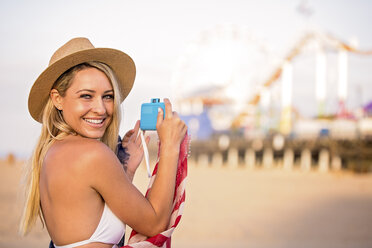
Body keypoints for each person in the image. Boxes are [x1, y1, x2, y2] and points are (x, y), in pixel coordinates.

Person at [20, 37, 187, 248]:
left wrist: (125, 169)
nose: (101, 109)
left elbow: (90, 212)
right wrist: (171, 146)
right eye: (86, 96)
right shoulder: (93, 154)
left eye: (107, 97)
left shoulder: (50, 152)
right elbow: (154, 223)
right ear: (57, 99)